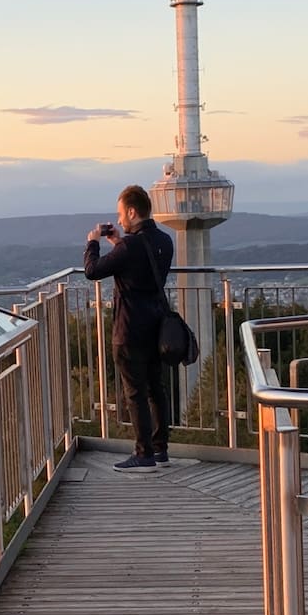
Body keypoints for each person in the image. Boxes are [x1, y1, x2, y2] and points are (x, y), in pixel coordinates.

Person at [84, 184, 174, 473]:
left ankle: (143, 452)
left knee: (135, 391)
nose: (119, 219)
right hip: (155, 324)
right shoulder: (164, 240)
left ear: (132, 212)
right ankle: (160, 448)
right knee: (155, 387)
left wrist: (93, 242)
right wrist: (119, 243)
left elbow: (92, 271)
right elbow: (138, 265)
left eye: (121, 213)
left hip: (129, 327)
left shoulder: (130, 246)